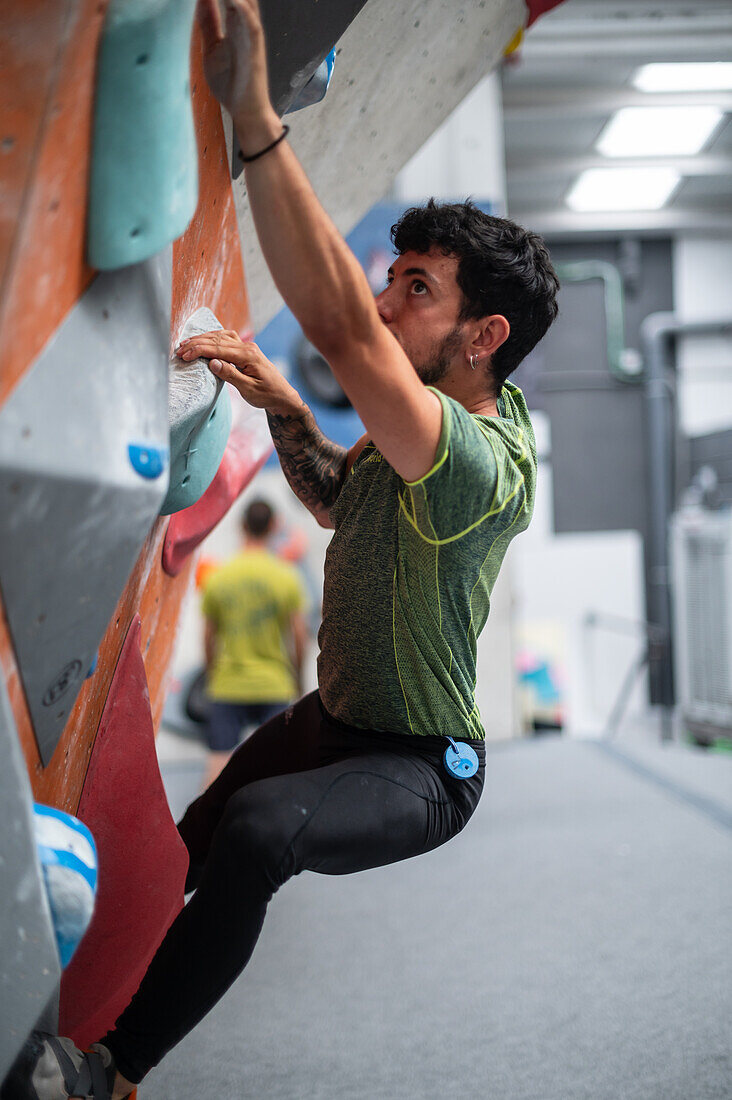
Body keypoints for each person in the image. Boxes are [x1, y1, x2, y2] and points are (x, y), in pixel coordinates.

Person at [20, 0, 559, 1095]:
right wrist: (278, 404)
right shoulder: (408, 445)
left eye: (418, 290)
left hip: (422, 765)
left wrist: (253, 116)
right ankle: (47, 980)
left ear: (482, 338)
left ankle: (112, 1073)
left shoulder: (473, 459)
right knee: (192, 841)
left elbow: (339, 329)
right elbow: (331, 498)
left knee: (260, 832)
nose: (386, 299)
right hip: (329, 723)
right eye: (395, 274)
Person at [200, 497, 309, 787]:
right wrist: (297, 679)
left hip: (228, 683)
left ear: (242, 526)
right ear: (273, 527)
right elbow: (298, 637)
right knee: (275, 770)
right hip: (273, 683)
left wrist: (214, 675)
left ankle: (205, 830)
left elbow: (209, 638)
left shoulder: (219, 577)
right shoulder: (286, 576)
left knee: (217, 769)